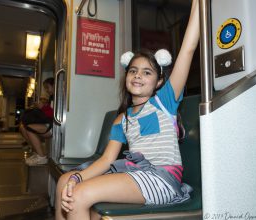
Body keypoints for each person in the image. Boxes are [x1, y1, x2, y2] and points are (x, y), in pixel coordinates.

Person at [56, 0, 199, 219]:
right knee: (65, 182)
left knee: (79, 194)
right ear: (127, 77)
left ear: (159, 82)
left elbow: (188, 49)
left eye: (147, 72)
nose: (138, 75)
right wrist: (76, 177)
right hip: (136, 175)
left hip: (162, 180)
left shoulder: (165, 102)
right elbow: (106, 160)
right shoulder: (121, 120)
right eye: (133, 71)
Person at [20, 77, 54, 166]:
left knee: (29, 128)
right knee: (23, 127)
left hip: (54, 126)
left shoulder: (59, 97)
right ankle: (37, 152)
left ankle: (42, 157)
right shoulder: (51, 98)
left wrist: (42, 107)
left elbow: (54, 114)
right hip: (49, 123)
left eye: (47, 87)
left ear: (54, 85)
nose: (46, 90)